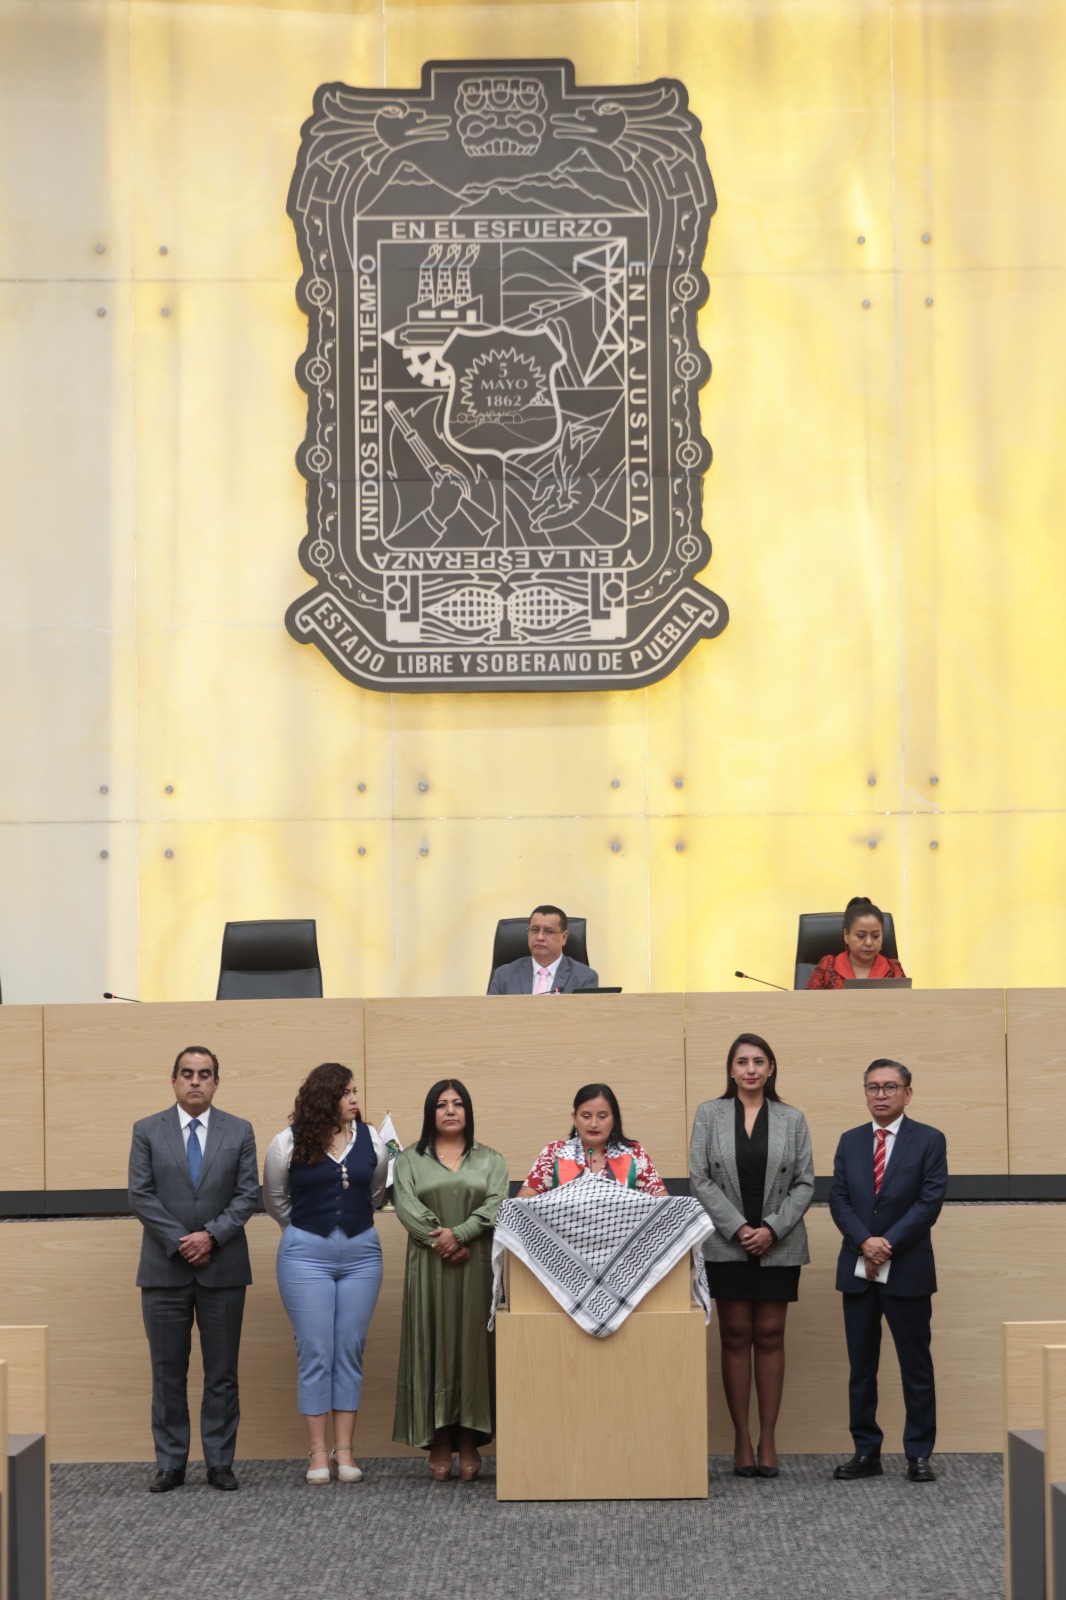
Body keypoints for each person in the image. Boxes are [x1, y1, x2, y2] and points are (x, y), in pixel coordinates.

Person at [128, 1045, 259, 1493]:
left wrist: (211, 1236)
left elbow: (247, 1196)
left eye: (205, 1074)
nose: (196, 1081)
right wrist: (182, 1242)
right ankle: (171, 1464)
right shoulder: (147, 1130)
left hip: (223, 1268)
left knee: (222, 1372)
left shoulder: (239, 1131)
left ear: (217, 1082)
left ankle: (220, 1463)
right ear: (173, 1080)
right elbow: (140, 1195)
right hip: (164, 1270)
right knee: (167, 1372)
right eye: (187, 1073)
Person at [688, 1034, 814, 1479]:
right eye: (742, 1062)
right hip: (728, 1240)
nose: (750, 1069)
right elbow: (699, 1178)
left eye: (759, 1061)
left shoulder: (792, 1118)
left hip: (779, 1240)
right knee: (736, 1334)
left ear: (772, 1068)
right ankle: (742, 1438)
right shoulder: (709, 1113)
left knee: (772, 1332)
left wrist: (772, 1229)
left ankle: (769, 1439)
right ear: (730, 1070)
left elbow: (804, 1183)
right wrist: (740, 1228)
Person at [263, 1063, 388, 1485]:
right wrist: (307, 1233)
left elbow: (375, 1192)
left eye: (355, 1091)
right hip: (304, 1256)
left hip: (362, 1255)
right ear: (325, 1096)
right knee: (316, 1351)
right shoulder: (287, 1142)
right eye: (346, 1092)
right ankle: (317, 1453)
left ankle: (346, 1452)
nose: (355, 1099)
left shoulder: (373, 1139)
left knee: (349, 1350)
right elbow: (277, 1199)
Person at [829, 1058, 948, 1483]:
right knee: (862, 1367)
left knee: (915, 1365)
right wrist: (864, 1241)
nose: (880, 1094)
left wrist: (887, 1244)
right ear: (865, 1093)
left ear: (907, 1093)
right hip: (858, 1268)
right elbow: (839, 1199)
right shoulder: (849, 1141)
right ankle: (866, 1452)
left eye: (890, 1087)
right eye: (873, 1087)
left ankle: (918, 1453)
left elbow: (929, 1203)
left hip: (908, 1268)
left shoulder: (930, 1140)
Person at [392, 1080, 509, 1481]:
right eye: (441, 1105)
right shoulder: (408, 1159)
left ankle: (471, 1440)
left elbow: (497, 1203)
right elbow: (406, 1206)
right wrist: (441, 1238)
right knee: (434, 1348)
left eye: (458, 1103)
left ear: (468, 1111)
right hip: (428, 1267)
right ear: (431, 1112)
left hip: (477, 1266)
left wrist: (460, 1235)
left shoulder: (491, 1159)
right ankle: (439, 1440)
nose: (450, 1110)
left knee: (472, 1349)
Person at [518, 1082, 666, 1196]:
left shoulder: (634, 1153)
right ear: (575, 1118)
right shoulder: (554, 1152)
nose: (594, 1124)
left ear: (614, 1119)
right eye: (586, 1116)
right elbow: (524, 1203)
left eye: (602, 1116)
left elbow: (662, 1203)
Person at [487, 905, 599, 994]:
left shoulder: (585, 978)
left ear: (564, 937)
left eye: (549, 931)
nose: (540, 937)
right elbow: (490, 1017)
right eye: (535, 930)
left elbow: (588, 1020)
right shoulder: (503, 975)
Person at [805, 896, 907, 988]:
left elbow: (908, 1005)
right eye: (861, 936)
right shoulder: (827, 966)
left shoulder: (894, 969)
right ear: (846, 935)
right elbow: (805, 1004)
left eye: (875, 936)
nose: (868, 942)